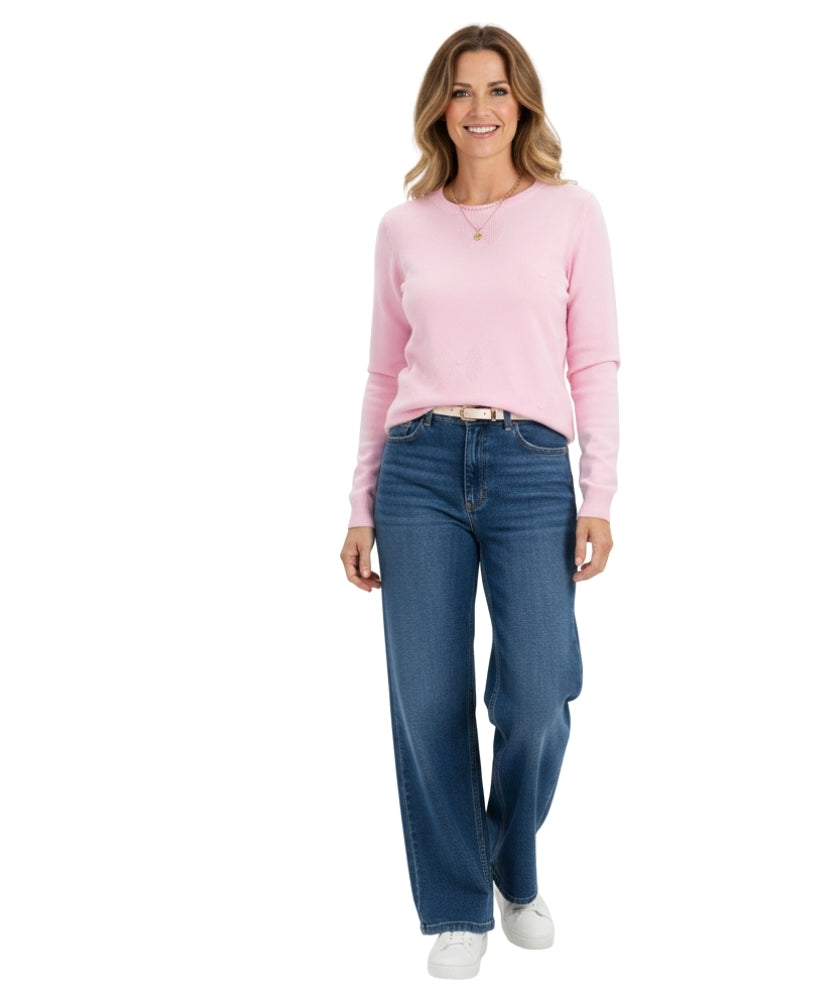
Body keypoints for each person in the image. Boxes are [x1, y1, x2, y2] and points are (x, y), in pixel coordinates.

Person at [340, 24, 620, 980]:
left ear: (523, 102)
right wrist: (360, 504)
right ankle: (459, 903)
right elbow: (383, 374)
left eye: (497, 89)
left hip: (532, 466)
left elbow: (594, 360)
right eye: (461, 91)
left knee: (538, 691)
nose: (480, 108)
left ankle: (510, 858)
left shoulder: (572, 212)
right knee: (427, 697)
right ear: (439, 108)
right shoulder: (402, 227)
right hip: (418, 468)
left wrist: (599, 491)